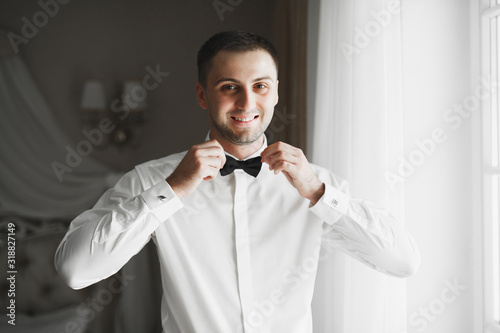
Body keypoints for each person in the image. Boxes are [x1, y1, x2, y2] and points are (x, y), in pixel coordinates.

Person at [55, 30, 420, 333]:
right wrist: (172, 190)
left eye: (260, 86)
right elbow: (75, 271)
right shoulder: (154, 179)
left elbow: (402, 261)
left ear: (275, 92)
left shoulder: (315, 183)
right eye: (230, 87)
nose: (247, 102)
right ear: (202, 95)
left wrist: (319, 194)